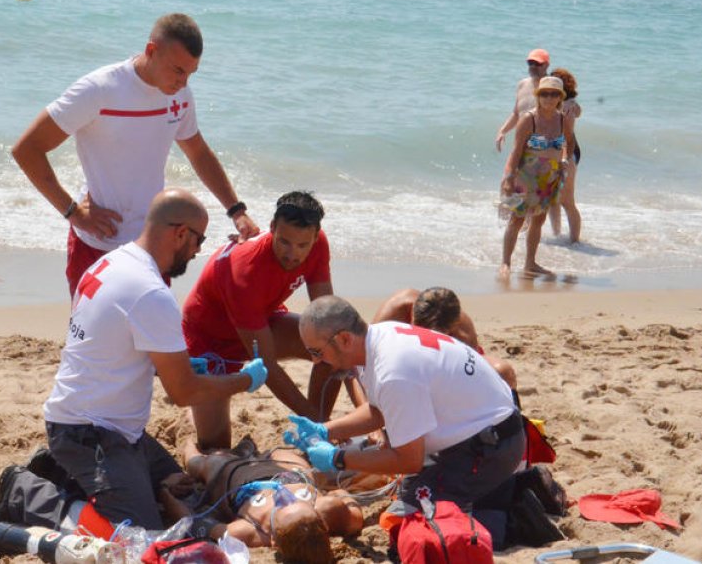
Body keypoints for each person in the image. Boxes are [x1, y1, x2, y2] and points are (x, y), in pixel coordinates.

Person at [0, 189, 269, 532]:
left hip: (109, 426)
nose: (198, 251)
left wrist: (178, 365)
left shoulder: (112, 262)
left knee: (176, 482)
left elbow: (117, 346)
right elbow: (183, 392)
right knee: (136, 534)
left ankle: (63, 468)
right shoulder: (150, 292)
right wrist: (246, 380)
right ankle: (25, 492)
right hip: (91, 433)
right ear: (180, 233)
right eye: (199, 240)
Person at [11, 13, 260, 298]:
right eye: (178, 70)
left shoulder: (180, 96)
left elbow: (198, 153)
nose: (183, 82)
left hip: (153, 246)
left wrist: (236, 211)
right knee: (92, 338)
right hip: (97, 243)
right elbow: (27, 150)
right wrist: (73, 212)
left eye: (191, 73)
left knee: (149, 338)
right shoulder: (99, 89)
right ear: (151, 51)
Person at [287, 296, 523, 522]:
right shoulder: (380, 336)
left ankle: (508, 507)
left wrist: (338, 459)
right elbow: (379, 411)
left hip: (493, 448)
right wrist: (325, 430)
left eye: (317, 352)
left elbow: (409, 460)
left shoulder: (392, 372)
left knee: (404, 525)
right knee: (407, 494)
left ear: (345, 339)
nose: (316, 361)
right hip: (483, 430)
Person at [183, 191, 350, 450]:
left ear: (315, 237)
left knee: (332, 347)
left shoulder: (318, 245)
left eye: (302, 245)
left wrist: (326, 423)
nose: (292, 254)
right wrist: (321, 423)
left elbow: (327, 324)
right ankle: (188, 426)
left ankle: (314, 435)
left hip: (260, 321)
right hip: (209, 338)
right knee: (215, 446)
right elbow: (267, 367)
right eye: (284, 242)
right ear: (271, 228)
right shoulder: (244, 273)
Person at [157, 436, 364, 563]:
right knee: (283, 451)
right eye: (297, 501)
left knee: (201, 463)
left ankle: (187, 440)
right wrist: (339, 496)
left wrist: (165, 494)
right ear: (322, 521)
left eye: (281, 504)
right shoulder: (328, 509)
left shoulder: (250, 532)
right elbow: (351, 509)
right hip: (289, 472)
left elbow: (192, 522)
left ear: (273, 540)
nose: (283, 495)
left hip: (234, 476)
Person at [499, 76, 575, 278]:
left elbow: (571, 142)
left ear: (560, 97)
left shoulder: (562, 119)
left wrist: (565, 158)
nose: (548, 98)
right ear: (538, 96)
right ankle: (505, 263)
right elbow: (516, 151)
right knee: (517, 219)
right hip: (526, 175)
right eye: (544, 94)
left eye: (553, 94)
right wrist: (508, 178)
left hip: (549, 177)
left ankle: (530, 264)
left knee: (538, 221)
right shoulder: (528, 119)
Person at [371, 287, 517, 389]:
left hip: (450, 368)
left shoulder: (462, 334)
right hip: (405, 366)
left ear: (450, 330)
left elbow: (470, 376)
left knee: (503, 371)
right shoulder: (394, 312)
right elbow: (357, 367)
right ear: (412, 316)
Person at [547, 68, 583, 243]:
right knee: (553, 200)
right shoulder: (554, 102)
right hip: (553, 152)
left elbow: (566, 136)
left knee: (566, 201)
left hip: (568, 151)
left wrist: (565, 159)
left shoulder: (568, 104)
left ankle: (575, 243)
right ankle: (557, 235)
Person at [494, 48, 550, 152]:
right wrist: (502, 131)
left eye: (537, 63)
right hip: (523, 143)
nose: (533, 66)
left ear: (546, 65)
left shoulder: (553, 86)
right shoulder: (522, 84)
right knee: (513, 167)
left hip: (545, 145)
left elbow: (572, 111)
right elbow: (516, 114)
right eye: (530, 63)